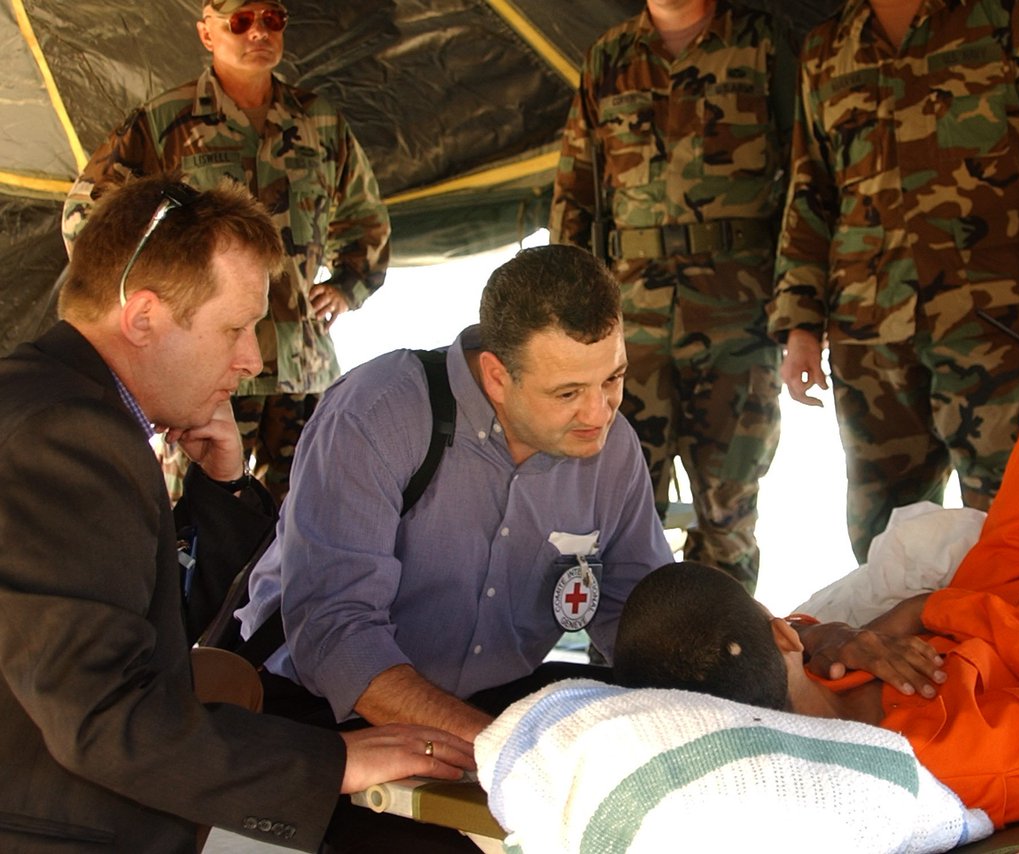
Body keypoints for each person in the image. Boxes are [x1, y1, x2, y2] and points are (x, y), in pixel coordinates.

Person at [0, 175, 471, 852]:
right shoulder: (68, 438)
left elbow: (153, 628)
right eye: (235, 329)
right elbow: (104, 715)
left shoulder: (46, 404)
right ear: (143, 318)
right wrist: (333, 762)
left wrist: (223, 488)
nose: (252, 360)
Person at [614, 314, 1019, 829]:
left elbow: (776, 638)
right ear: (779, 637)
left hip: (1005, 583)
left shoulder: (795, 679)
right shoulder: (963, 755)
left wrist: (836, 636)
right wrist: (929, 611)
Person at [238, 243, 674, 738]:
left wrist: (711, 671)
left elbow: (637, 614)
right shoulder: (376, 415)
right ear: (496, 377)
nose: (599, 413)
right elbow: (336, 634)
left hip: (491, 708)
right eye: (568, 393)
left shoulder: (612, 449)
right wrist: (499, 749)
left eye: (613, 378)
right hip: (320, 709)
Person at [769, 0, 1019, 563]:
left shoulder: (1012, 17)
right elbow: (811, 193)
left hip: (997, 324)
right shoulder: (828, 48)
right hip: (870, 334)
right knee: (885, 542)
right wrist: (800, 324)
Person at [62, 0, 390, 506]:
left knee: (308, 513)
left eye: (271, 19)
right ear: (207, 34)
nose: (258, 32)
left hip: (297, 365)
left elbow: (366, 219)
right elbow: (86, 217)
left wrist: (347, 287)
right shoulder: (166, 120)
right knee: (192, 515)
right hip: (201, 368)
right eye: (240, 21)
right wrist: (159, 294)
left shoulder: (320, 122)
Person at [549, 0, 789, 592]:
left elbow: (809, 178)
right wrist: (562, 319)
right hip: (626, 330)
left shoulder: (763, 43)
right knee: (618, 508)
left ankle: (723, 643)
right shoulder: (609, 58)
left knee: (729, 512)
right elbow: (576, 189)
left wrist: (801, 308)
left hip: (739, 321)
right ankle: (629, 644)